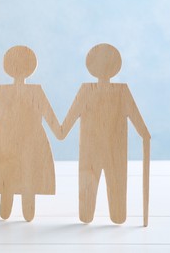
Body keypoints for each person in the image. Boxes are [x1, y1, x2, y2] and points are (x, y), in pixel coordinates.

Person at [60, 43, 151, 225]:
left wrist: (57, 130)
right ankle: (113, 216)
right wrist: (145, 136)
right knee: (115, 188)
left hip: (94, 151)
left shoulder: (88, 91)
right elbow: (141, 127)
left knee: (92, 188)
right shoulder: (120, 91)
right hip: (111, 152)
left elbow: (65, 127)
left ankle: (95, 215)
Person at [0, 45, 62, 222]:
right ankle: (24, 211)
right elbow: (53, 122)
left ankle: (8, 208)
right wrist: (62, 131)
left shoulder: (4, 91)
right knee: (26, 175)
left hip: (6, 141)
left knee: (8, 174)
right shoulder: (34, 92)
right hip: (28, 142)